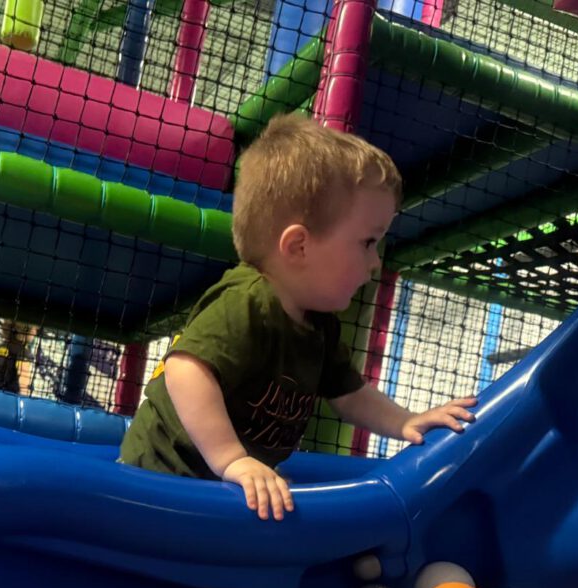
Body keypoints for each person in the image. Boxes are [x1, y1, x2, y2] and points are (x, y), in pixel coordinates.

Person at [119, 114, 476, 521]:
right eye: (368, 242)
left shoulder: (318, 324)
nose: (376, 262)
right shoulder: (248, 302)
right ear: (299, 246)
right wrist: (233, 460)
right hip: (163, 475)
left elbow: (351, 394)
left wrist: (406, 421)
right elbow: (185, 372)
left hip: (229, 488)